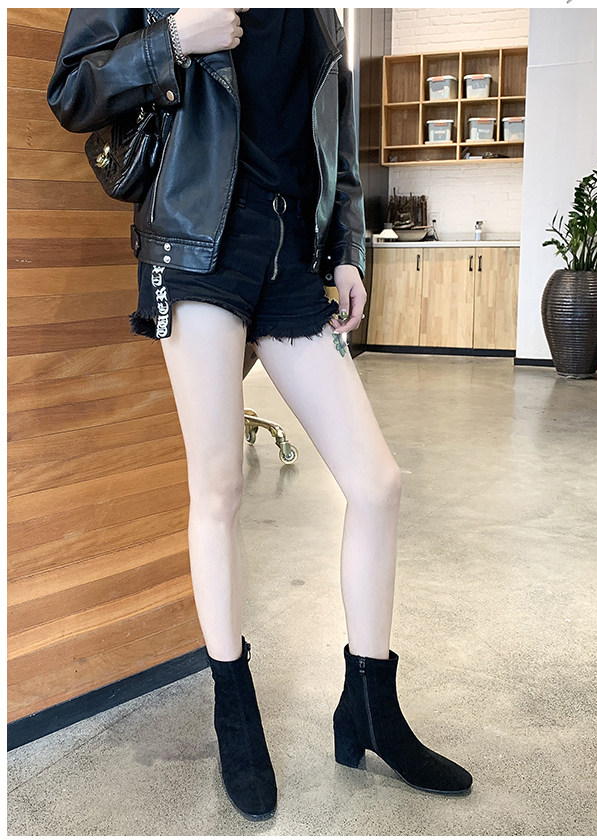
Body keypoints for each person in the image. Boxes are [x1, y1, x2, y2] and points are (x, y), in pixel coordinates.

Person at [48, 8, 472, 821]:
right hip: (198, 249)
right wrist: (175, 40)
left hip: (291, 256)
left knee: (378, 484)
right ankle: (235, 713)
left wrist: (347, 248)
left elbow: (336, 139)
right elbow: (73, 90)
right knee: (218, 489)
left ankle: (370, 708)